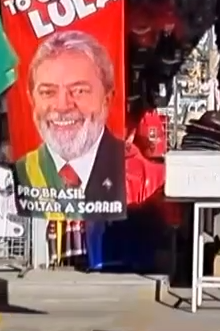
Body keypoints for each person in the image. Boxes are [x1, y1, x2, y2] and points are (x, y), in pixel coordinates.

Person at [13, 30, 145, 218]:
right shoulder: (21, 173)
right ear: (32, 100)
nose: (62, 106)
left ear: (107, 99)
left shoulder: (133, 173)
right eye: (47, 92)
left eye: (79, 91)